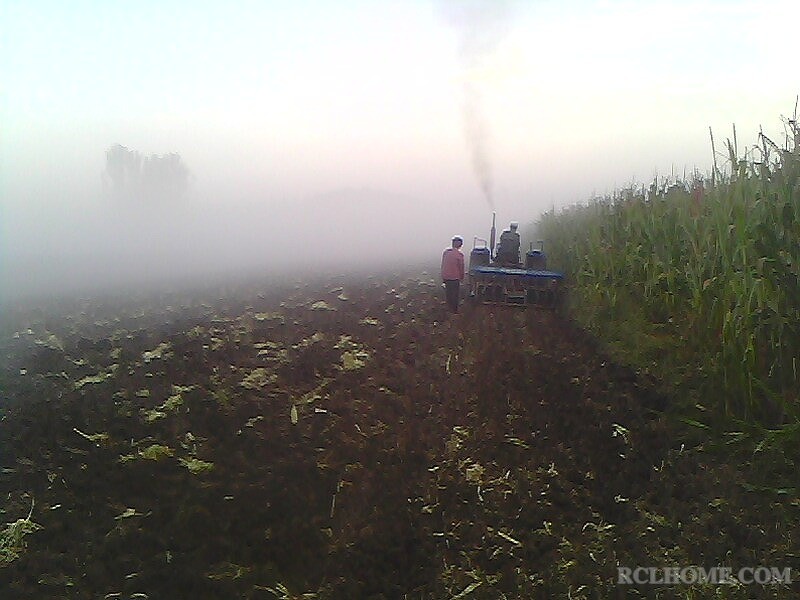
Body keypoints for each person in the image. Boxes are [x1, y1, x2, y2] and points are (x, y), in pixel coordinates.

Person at [441, 236, 465, 313]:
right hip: (455, 277)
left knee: (448, 293)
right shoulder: (459, 255)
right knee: (455, 294)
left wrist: (443, 275)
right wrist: (462, 277)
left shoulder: (446, 253)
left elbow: (443, 264)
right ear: (460, 245)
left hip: (446, 276)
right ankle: (454, 310)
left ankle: (449, 308)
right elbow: (461, 267)